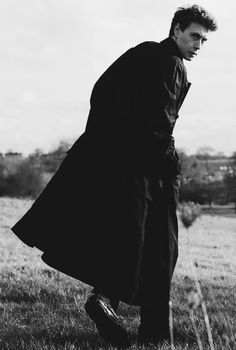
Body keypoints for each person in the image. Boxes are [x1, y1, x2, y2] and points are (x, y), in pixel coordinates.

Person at [11, 4, 217, 347]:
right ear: (177, 29)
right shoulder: (171, 64)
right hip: (149, 170)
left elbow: (101, 93)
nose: (198, 45)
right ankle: (144, 327)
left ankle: (107, 301)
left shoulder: (140, 53)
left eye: (204, 40)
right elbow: (160, 124)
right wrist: (169, 164)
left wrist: (109, 145)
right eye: (195, 36)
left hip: (116, 163)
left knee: (130, 241)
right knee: (160, 249)